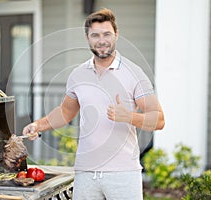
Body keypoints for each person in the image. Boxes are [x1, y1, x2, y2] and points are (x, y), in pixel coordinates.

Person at [23, 8, 165, 200]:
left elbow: (159, 120)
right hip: (86, 172)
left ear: (116, 35)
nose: (101, 40)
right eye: (95, 35)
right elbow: (65, 112)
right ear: (87, 38)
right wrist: (37, 125)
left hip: (123, 173)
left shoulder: (134, 73)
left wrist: (129, 116)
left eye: (107, 34)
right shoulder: (78, 74)